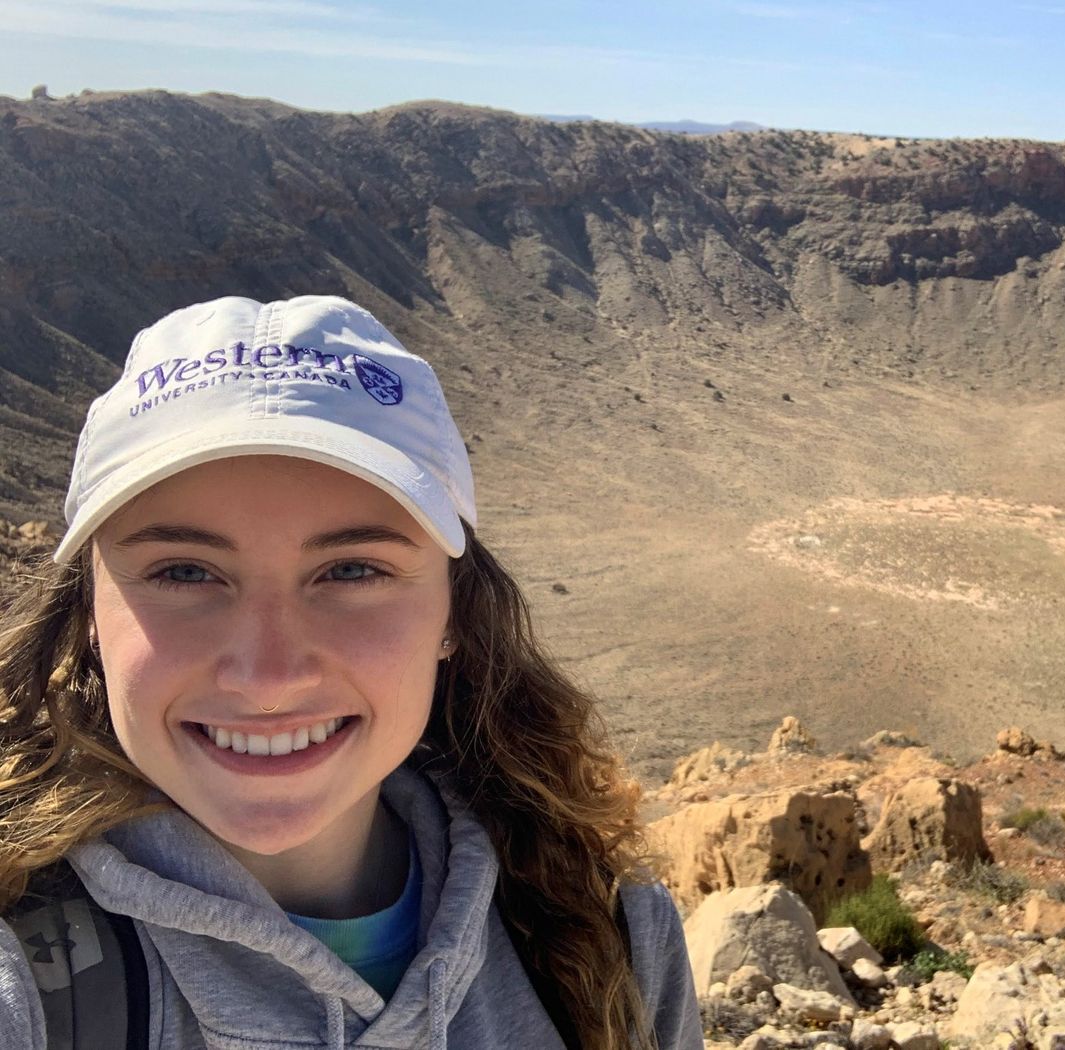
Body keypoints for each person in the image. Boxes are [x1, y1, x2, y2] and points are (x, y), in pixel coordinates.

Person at [0, 295, 703, 1049]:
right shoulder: (26, 981)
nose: (267, 677)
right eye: (182, 572)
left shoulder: (607, 928)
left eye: (353, 570)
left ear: (457, 615)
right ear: (88, 619)